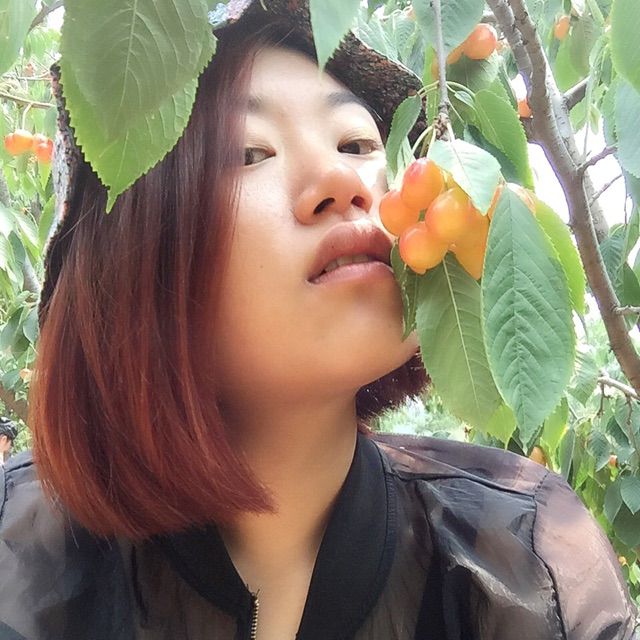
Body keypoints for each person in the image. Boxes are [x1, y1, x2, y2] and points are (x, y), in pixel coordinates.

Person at [0, 1, 637, 638]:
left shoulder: (527, 562)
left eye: (358, 144)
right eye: (250, 152)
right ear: (128, 257)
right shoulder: (19, 555)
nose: (340, 178)